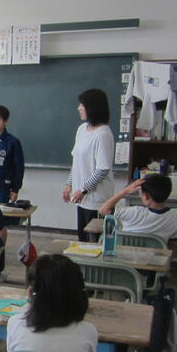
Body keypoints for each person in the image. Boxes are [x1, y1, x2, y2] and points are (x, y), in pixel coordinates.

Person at [62, 89, 115, 242]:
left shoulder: (103, 134)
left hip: (97, 200)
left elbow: (102, 169)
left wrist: (83, 190)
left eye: (82, 105)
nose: (79, 108)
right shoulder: (82, 129)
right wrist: (69, 185)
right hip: (81, 198)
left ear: (93, 107)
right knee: (82, 239)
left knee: (95, 242)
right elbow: (76, 162)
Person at [98, 174, 177, 245]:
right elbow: (174, 243)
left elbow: (103, 210)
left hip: (126, 258)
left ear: (145, 196)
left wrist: (125, 191)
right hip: (156, 259)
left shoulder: (134, 212)